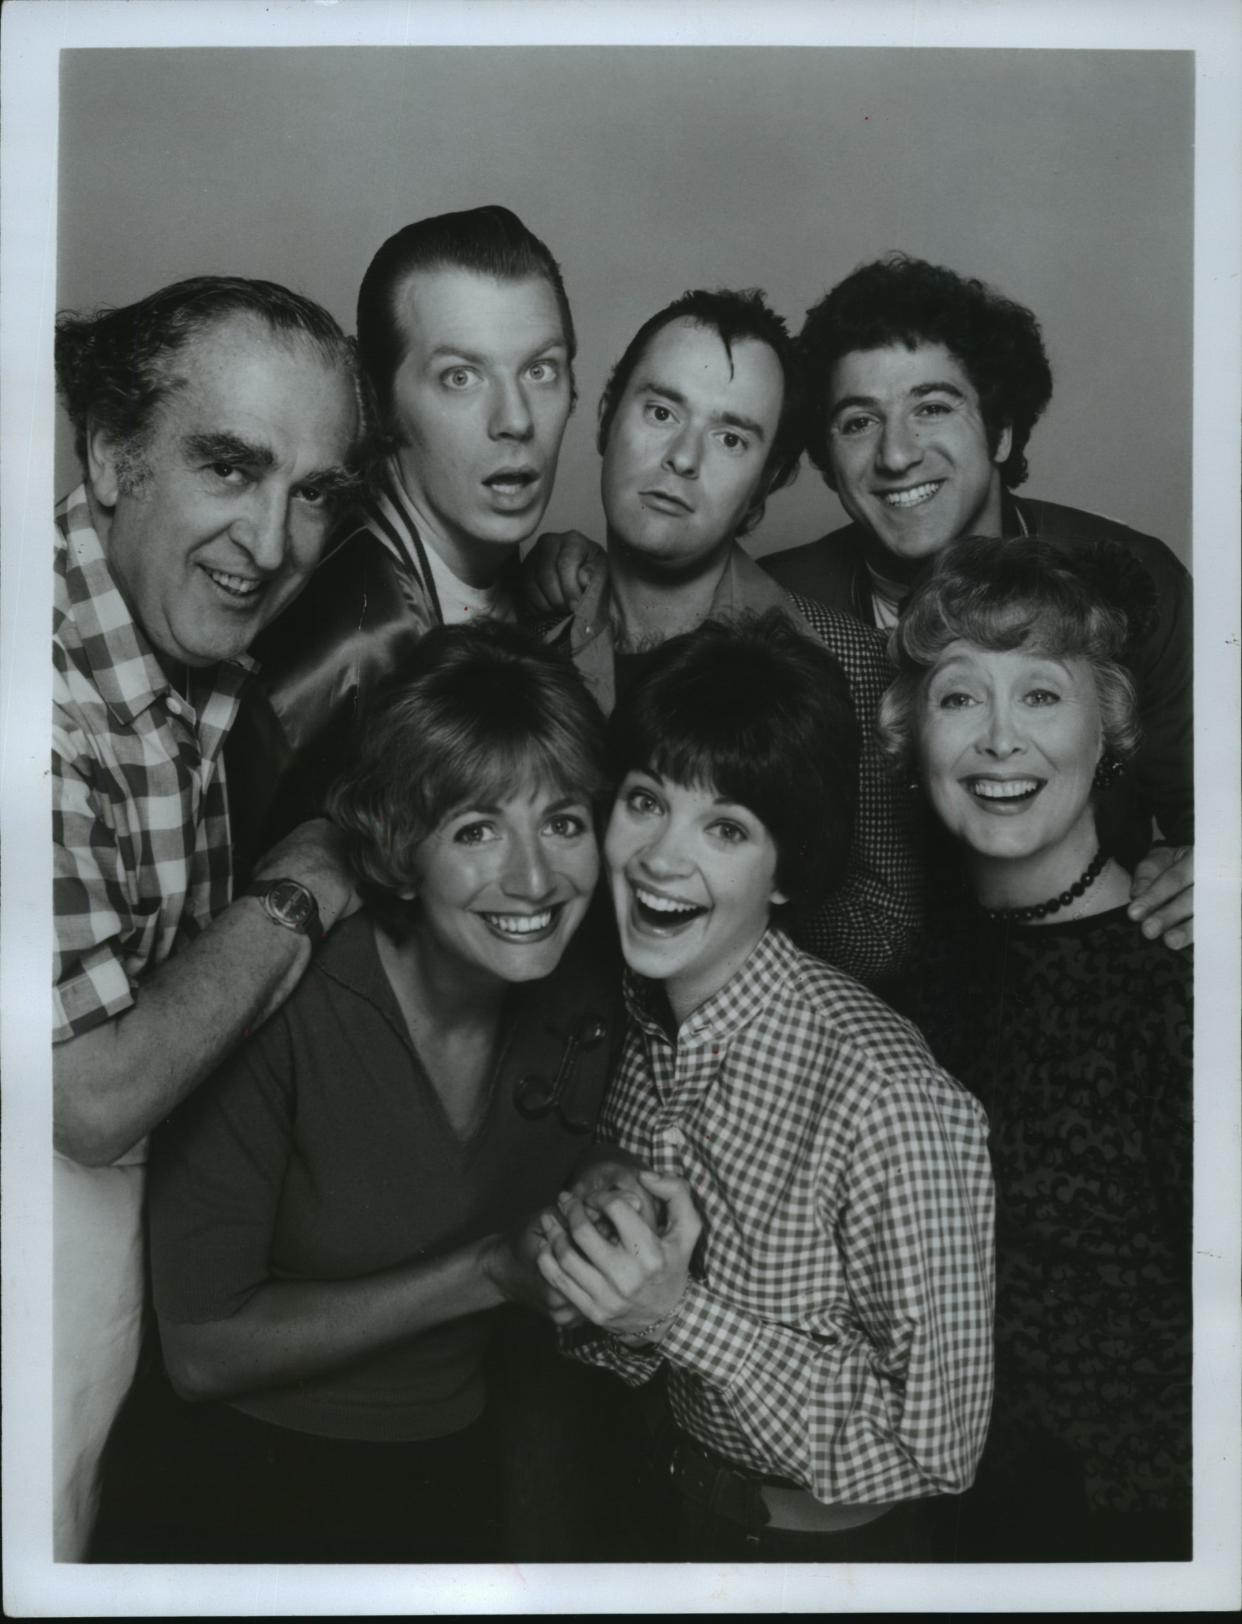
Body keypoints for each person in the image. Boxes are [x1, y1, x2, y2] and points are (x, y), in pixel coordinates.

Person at [129, 623, 622, 1563]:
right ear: (400, 845)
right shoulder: (288, 1006)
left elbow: (545, 1155)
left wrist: (608, 1178)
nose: (534, 878)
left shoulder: (584, 997)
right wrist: (486, 1271)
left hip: (457, 1472)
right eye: (476, 829)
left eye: (563, 821)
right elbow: (199, 1348)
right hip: (244, 1491)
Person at [536, 613, 996, 1564]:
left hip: (812, 1556)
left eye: (728, 827)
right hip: (642, 1494)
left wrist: (678, 1317)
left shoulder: (887, 1099)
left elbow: (937, 1449)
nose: (664, 857)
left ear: (788, 871)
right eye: (645, 801)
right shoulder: (624, 1014)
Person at [52, 275, 366, 1559]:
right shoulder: (41, 712)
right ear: (113, 454)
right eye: (230, 466)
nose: (272, 538)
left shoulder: (185, 658)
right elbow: (92, 1095)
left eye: (312, 494)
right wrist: (311, 876)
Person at [878, 535, 1192, 1561]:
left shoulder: (1186, 979)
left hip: (1135, 1535)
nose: (999, 741)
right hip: (940, 1524)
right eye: (961, 697)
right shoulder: (904, 987)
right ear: (912, 740)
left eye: (1043, 697)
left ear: (1111, 727)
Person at [761, 253, 1193, 948]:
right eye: (858, 422)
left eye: (932, 407)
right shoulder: (774, 604)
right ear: (828, 463)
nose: (896, 454)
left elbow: (1217, 813)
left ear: (1002, 432)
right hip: (862, 996)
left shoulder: (1135, 582)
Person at [540, 287, 924, 988]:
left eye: (730, 437)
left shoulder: (842, 661)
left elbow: (883, 926)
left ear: (765, 484)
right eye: (660, 412)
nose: (682, 458)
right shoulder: (530, 628)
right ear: (605, 419)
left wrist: (732, 883)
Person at [232, 204, 578, 857]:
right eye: (460, 377)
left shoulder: (480, 532)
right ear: (378, 400)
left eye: (540, 370)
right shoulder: (340, 663)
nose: (515, 420)